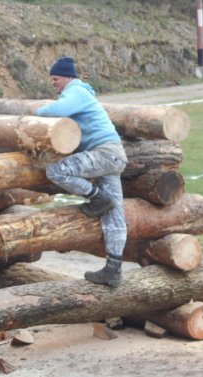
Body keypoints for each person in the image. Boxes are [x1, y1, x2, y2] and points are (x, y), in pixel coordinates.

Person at [33, 57, 128, 287]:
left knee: (56, 171)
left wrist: (34, 112)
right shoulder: (80, 92)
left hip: (104, 153)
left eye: (55, 79)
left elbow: (58, 109)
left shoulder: (76, 91)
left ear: (66, 77)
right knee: (114, 213)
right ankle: (113, 269)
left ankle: (96, 197)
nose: (53, 83)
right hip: (114, 156)